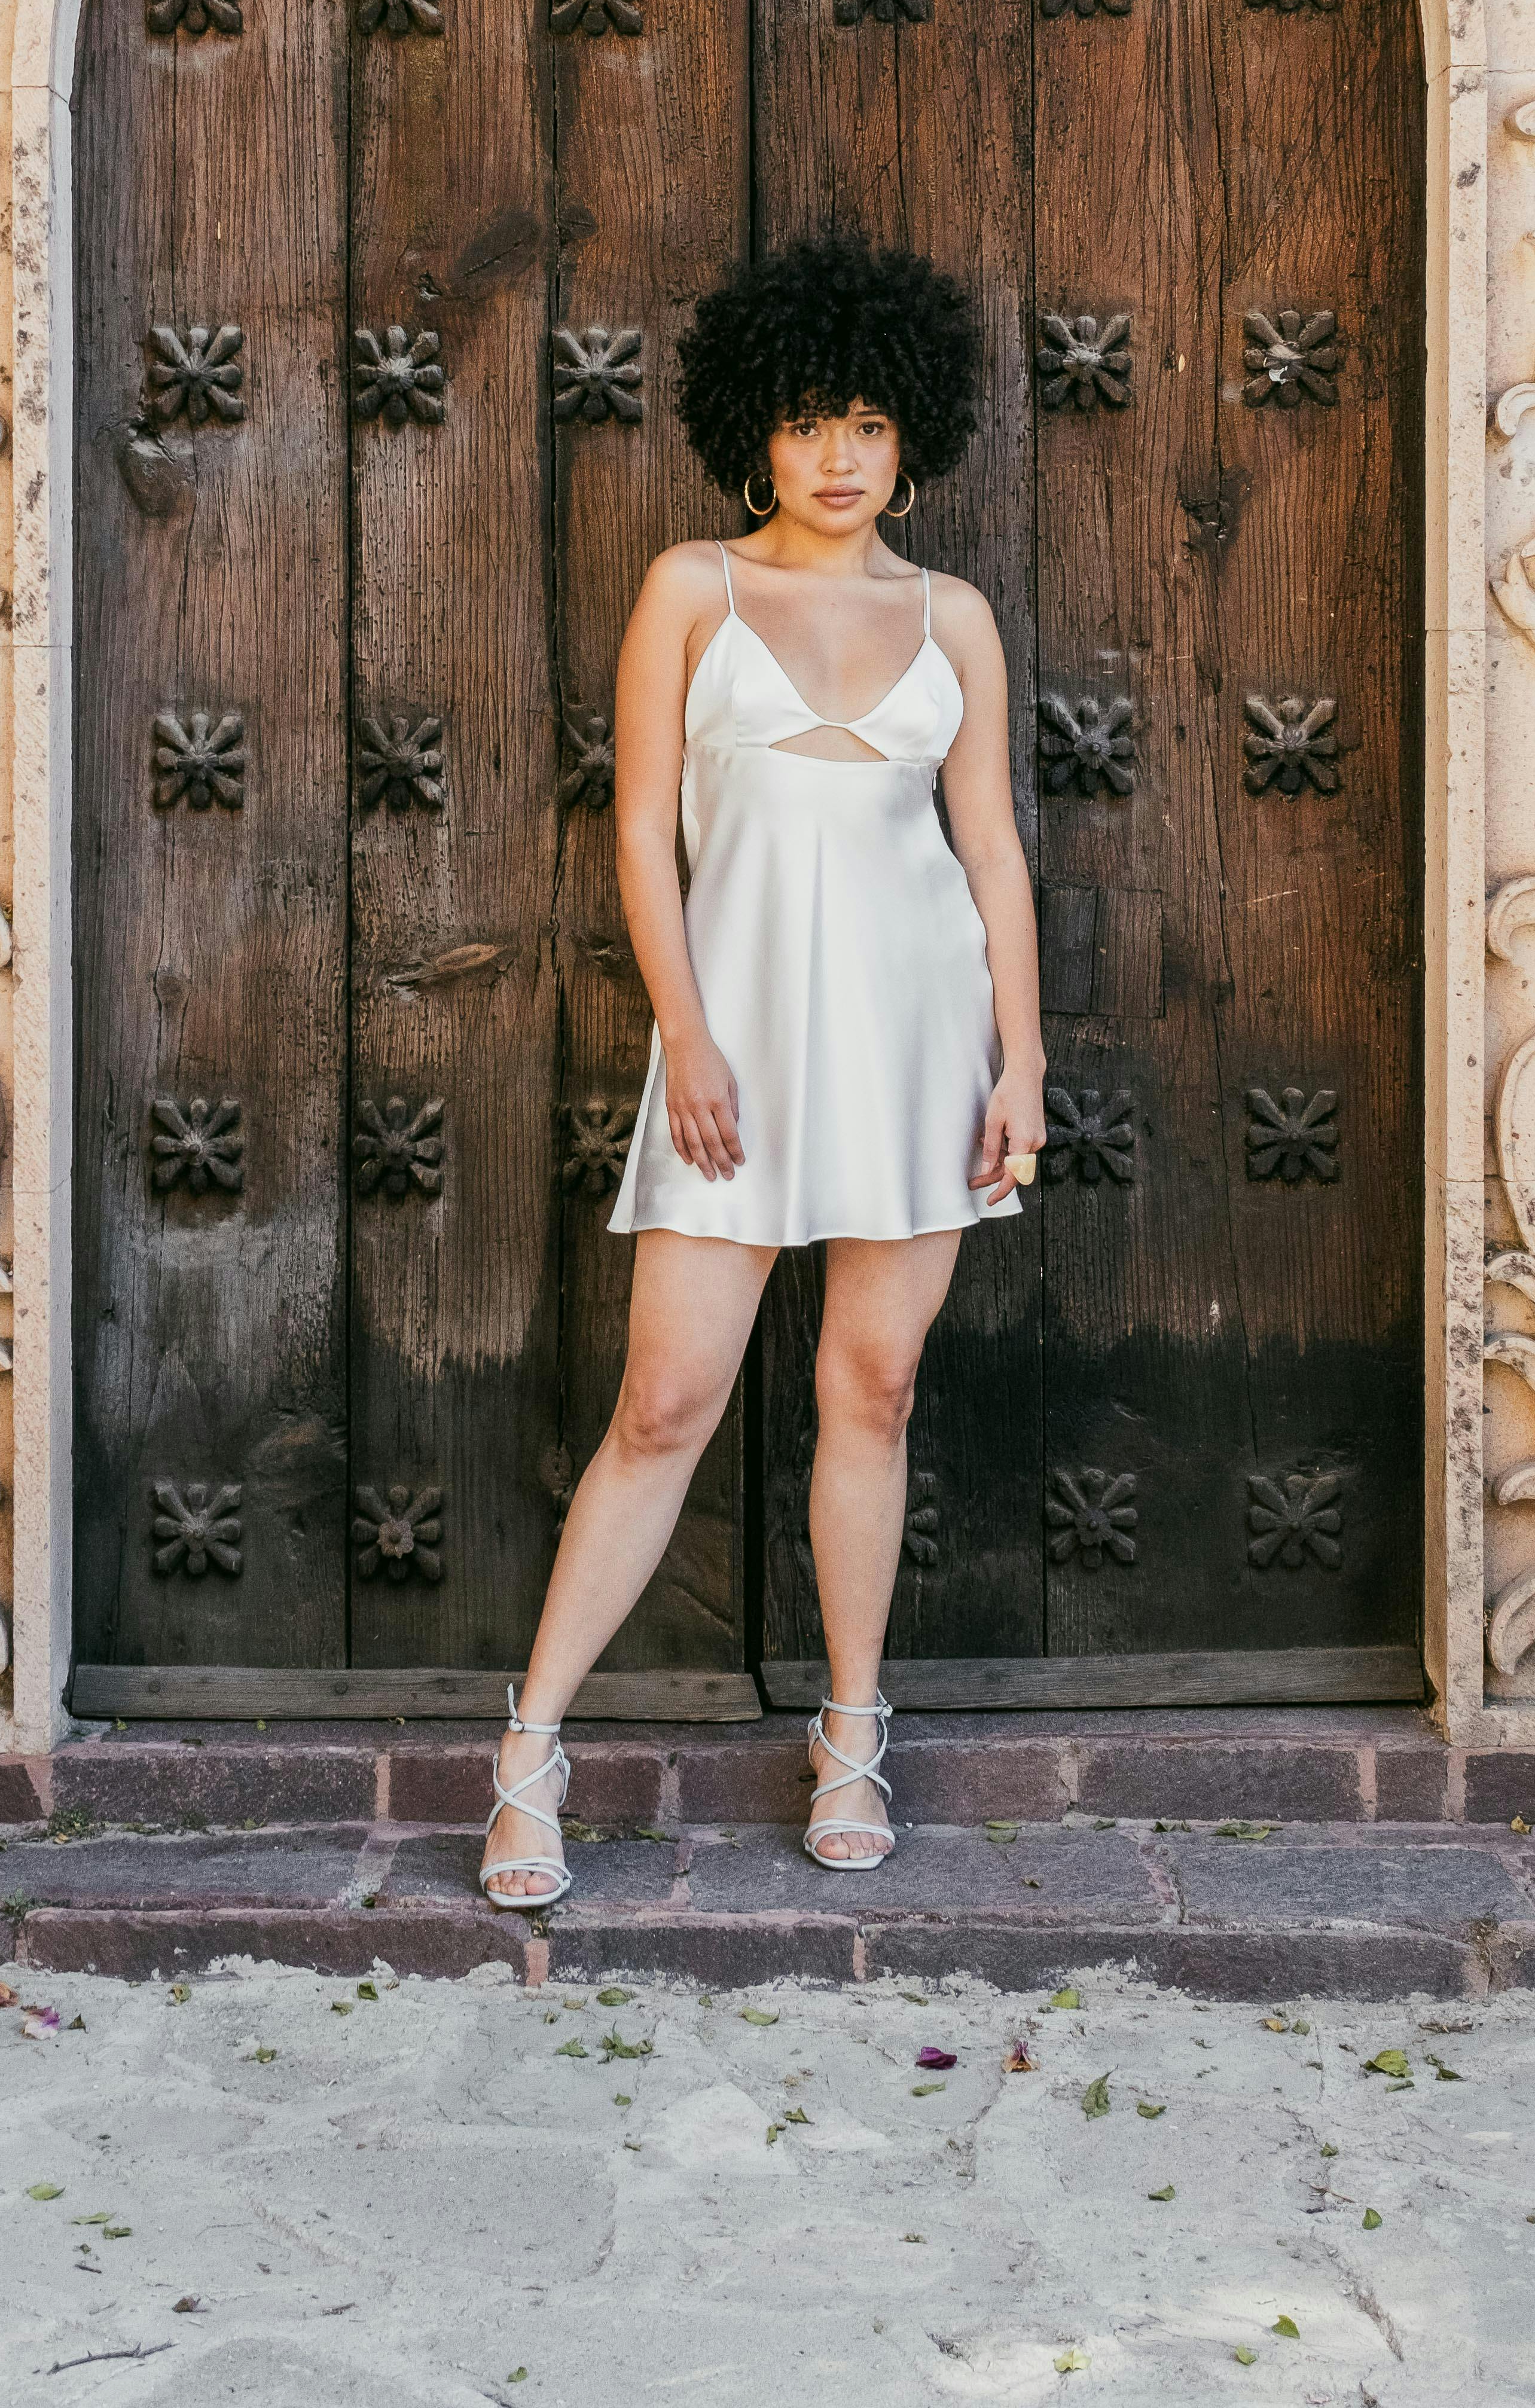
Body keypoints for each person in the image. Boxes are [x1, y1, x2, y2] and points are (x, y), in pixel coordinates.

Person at [481, 233, 1045, 1901]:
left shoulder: (954, 615)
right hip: (737, 1054)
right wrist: (687, 1034)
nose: (843, 455)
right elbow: (643, 836)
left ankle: (853, 1733)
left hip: (917, 1050)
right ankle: (530, 1760)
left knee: (870, 1392)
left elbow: (994, 855)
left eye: (871, 422)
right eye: (811, 422)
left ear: (912, 433)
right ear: (758, 433)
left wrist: (1023, 1064)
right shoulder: (692, 589)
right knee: (663, 1405)